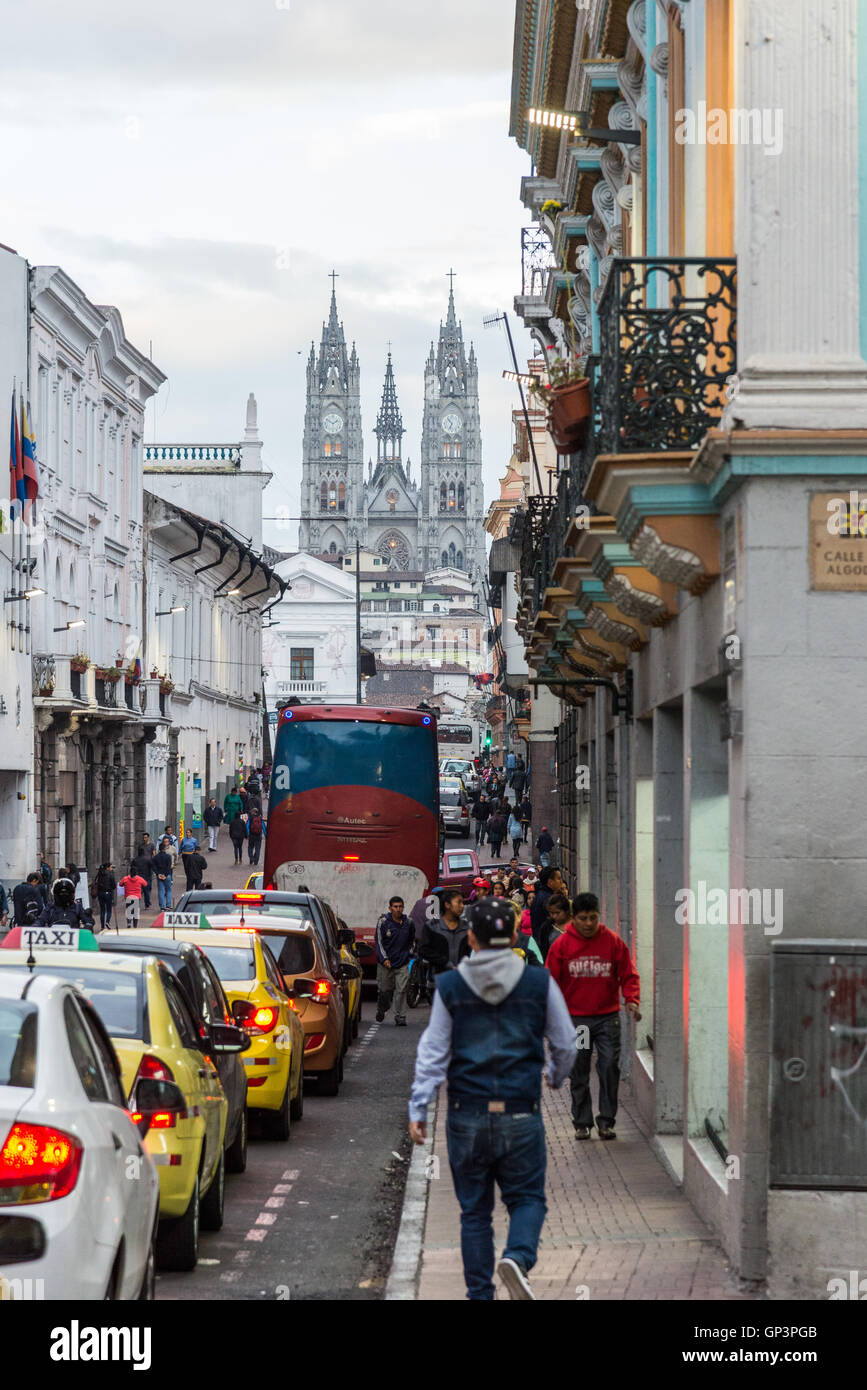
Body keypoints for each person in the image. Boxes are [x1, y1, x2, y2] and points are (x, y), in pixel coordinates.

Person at [408, 894, 576, 1301]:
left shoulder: (450, 986)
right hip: (521, 1110)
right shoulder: (538, 982)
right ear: (517, 935)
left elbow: (433, 1052)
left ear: (472, 939)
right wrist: (555, 1075)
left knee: (474, 1213)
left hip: (466, 1114)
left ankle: (479, 1294)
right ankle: (517, 1257)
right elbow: (566, 1042)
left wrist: (419, 1106)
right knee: (528, 1199)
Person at [546, 891, 641, 1141]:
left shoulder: (612, 942)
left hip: (607, 1018)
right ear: (573, 918)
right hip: (578, 1022)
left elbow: (628, 974)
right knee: (579, 1071)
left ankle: (606, 1121)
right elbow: (551, 983)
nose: (589, 923)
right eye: (583, 918)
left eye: (593, 918)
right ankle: (582, 1121)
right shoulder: (562, 946)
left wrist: (631, 999)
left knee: (609, 1066)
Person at [374, 896, 415, 1026]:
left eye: (400, 906)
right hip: (386, 964)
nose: (398, 909)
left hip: (402, 962)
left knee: (401, 990)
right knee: (384, 990)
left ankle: (400, 1016)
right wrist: (384, 959)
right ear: (390, 908)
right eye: (395, 907)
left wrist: (409, 953)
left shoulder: (408, 922)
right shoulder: (383, 922)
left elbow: (412, 940)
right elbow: (379, 942)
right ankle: (382, 1008)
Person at [420, 889, 470, 975]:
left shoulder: (466, 927)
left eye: (463, 903)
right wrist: (445, 963)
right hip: (438, 979)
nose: (462, 906)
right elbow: (423, 950)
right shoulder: (432, 926)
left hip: (462, 978)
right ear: (447, 905)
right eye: (459, 902)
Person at [529, 865, 565, 951]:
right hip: (546, 945)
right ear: (550, 881)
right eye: (558, 878)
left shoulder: (542, 895)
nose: (561, 881)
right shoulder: (548, 899)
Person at [539, 891, 572, 960]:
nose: (554, 916)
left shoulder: (577, 925)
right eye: (551, 913)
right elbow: (544, 952)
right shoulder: (547, 928)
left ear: (566, 911)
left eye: (557, 913)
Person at [93, 862, 117, 932]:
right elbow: (114, 885)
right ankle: (107, 922)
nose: (111, 868)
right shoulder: (110, 874)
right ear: (108, 867)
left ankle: (102, 926)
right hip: (108, 893)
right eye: (111, 867)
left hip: (101, 893)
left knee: (102, 910)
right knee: (109, 909)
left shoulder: (99, 874)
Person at [153, 839, 174, 911]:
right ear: (164, 848)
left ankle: (162, 906)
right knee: (168, 890)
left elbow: (154, 867)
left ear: (159, 849)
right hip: (167, 875)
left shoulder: (156, 857)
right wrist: (165, 874)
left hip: (159, 875)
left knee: (161, 891)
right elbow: (169, 866)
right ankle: (168, 905)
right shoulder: (168, 856)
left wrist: (158, 874)